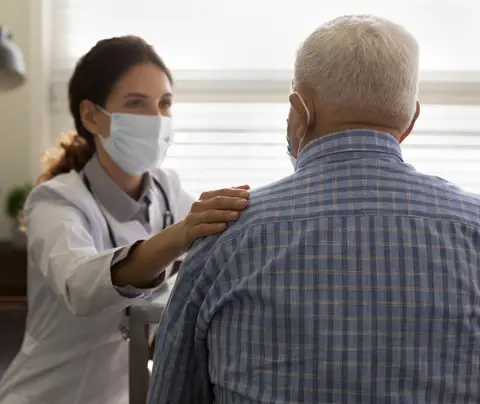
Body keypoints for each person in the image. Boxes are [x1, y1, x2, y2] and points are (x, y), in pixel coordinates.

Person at [148, 14, 480, 404]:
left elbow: (171, 394)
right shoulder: (473, 230)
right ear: (410, 120)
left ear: (299, 111)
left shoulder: (227, 235)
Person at [0, 35, 250, 404]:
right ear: (92, 116)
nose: (157, 119)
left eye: (165, 104)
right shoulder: (55, 201)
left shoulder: (167, 190)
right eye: (136, 104)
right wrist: (178, 237)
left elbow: (221, 244)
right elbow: (81, 286)